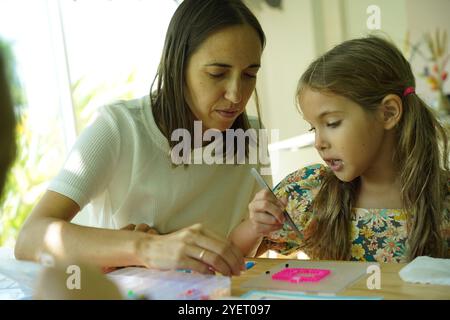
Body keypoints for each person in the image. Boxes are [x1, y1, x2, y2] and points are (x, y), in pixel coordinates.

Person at [15, 0, 268, 276]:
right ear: (177, 67)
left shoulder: (252, 137)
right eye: (217, 74)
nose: (236, 94)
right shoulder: (120, 128)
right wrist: (146, 248)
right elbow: (31, 238)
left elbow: (240, 254)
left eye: (249, 75)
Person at [230, 36, 450, 262]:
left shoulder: (444, 199)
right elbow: (231, 258)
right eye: (312, 128)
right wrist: (255, 227)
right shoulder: (309, 195)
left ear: (389, 113)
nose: (319, 143)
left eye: (332, 123)